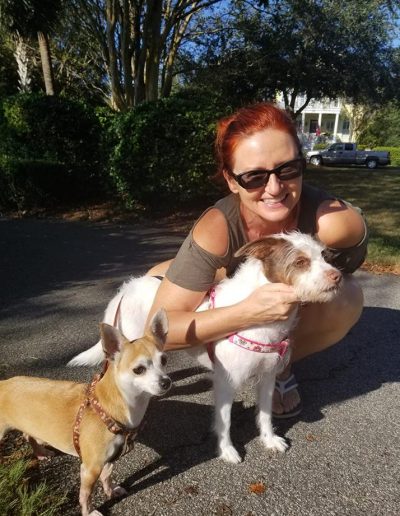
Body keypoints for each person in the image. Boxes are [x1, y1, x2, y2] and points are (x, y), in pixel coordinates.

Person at [146, 102, 367, 418]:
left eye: (287, 168)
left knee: (347, 297)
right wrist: (245, 312)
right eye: (253, 177)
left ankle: (279, 367)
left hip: (289, 292)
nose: (275, 189)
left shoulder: (331, 225)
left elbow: (341, 269)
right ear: (232, 181)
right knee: (152, 283)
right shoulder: (217, 228)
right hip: (233, 280)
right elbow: (161, 330)